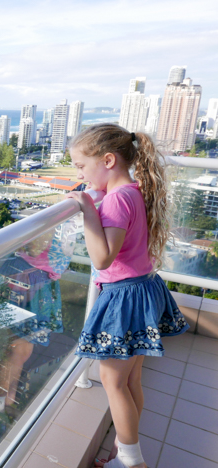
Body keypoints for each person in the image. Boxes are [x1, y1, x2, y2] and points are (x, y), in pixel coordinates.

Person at [64, 124, 188, 468]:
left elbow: (102, 258)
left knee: (112, 381)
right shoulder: (132, 191)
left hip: (124, 298)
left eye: (80, 166)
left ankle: (132, 463)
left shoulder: (116, 201)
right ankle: (123, 451)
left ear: (107, 160)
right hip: (144, 288)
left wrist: (89, 210)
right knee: (130, 379)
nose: (79, 174)